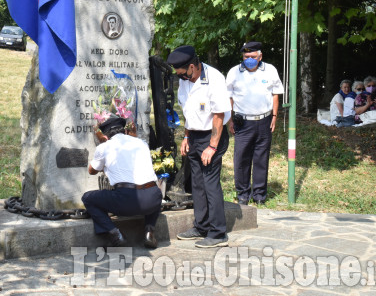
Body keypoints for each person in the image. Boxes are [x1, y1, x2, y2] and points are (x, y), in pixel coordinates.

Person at [167, 45, 231, 248]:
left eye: (183, 74)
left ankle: (218, 232)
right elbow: (188, 112)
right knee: (197, 183)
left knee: (210, 183)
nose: (182, 78)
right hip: (194, 135)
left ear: (193, 66)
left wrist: (212, 147)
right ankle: (201, 226)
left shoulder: (215, 79)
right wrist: (186, 137)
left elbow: (219, 115)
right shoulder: (186, 81)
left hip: (212, 136)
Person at [81, 116, 162, 249]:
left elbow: (92, 171)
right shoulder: (142, 143)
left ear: (106, 135)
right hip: (152, 198)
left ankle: (115, 234)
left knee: (88, 198)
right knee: (154, 191)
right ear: (124, 131)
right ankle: (149, 232)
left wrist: (103, 153)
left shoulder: (104, 147)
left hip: (127, 200)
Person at [226, 41, 284, 206]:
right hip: (242, 122)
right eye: (246, 56)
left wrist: (274, 116)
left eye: (252, 56)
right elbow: (228, 97)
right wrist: (229, 120)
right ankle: (243, 194)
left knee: (261, 158)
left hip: (264, 121)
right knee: (241, 158)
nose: (249, 59)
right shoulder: (234, 72)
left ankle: (259, 194)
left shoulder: (270, 70)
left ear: (260, 56)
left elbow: (275, 94)